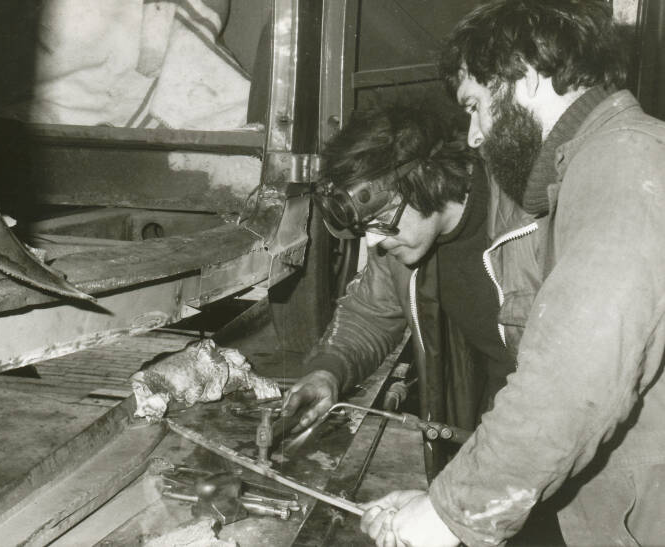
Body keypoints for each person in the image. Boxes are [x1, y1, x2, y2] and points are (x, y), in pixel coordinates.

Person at [360, 1, 665, 546]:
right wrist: (445, 498)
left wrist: (454, 511)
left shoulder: (623, 161)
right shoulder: (595, 164)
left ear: (526, 74)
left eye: (475, 105)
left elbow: (572, 375)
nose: (475, 135)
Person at [282, 101, 517, 482]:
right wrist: (327, 372)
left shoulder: (523, 220)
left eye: (380, 220)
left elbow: (561, 381)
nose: (373, 241)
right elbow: (369, 314)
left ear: (426, 177)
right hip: (501, 421)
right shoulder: (403, 243)